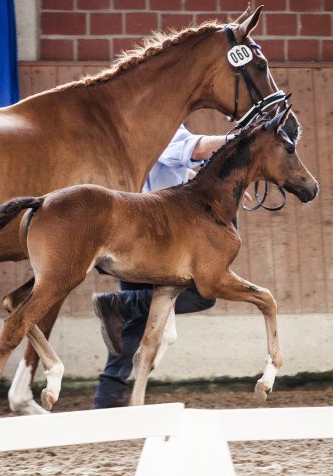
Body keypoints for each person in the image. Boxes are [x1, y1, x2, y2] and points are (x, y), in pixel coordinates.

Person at [92, 124, 232, 409]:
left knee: (134, 322)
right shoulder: (160, 126)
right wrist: (240, 140)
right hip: (153, 236)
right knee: (203, 293)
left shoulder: (135, 125)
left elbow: (172, 167)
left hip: (135, 229)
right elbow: (196, 148)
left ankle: (108, 395)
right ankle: (121, 304)